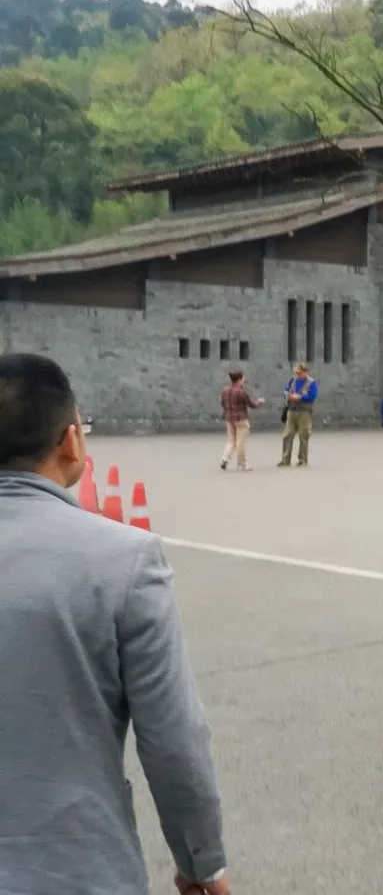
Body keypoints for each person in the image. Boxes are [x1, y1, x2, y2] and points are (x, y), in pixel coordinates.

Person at [0, 353, 231, 895]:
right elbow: (175, 740)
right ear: (71, 440)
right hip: (76, 870)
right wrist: (201, 862)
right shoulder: (124, 559)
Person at [217, 368, 265, 471]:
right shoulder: (241, 392)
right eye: (243, 379)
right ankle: (242, 464)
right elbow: (252, 404)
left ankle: (225, 459)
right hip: (241, 419)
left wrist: (228, 410)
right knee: (241, 442)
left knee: (231, 441)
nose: (244, 380)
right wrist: (259, 401)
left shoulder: (225, 391)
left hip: (229, 418)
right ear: (239, 379)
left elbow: (222, 403)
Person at [278, 360, 318, 467]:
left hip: (304, 412)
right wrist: (287, 395)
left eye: (299, 373)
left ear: (305, 372)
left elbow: (313, 396)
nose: (297, 375)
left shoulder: (311, 383)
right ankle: (285, 460)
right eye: (296, 373)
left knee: (303, 435)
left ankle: (303, 460)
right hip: (291, 411)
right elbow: (286, 390)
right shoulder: (292, 380)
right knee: (287, 435)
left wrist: (300, 397)